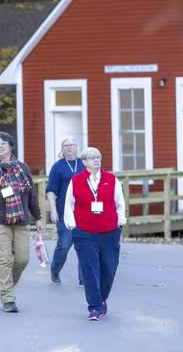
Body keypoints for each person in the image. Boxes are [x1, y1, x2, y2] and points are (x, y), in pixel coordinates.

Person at [0, 131, 43, 313]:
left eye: (2, 143)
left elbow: (31, 195)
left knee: (22, 259)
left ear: (11, 146)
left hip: (20, 219)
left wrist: (38, 217)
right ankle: (8, 298)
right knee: (4, 258)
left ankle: (7, 283)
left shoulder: (22, 168)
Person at [63, 146, 126, 321]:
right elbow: (69, 204)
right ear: (84, 162)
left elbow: (119, 202)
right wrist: (72, 225)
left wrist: (120, 222)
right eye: (92, 158)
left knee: (109, 269)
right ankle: (94, 307)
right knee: (90, 270)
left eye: (98, 157)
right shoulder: (76, 181)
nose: (96, 160)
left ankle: (102, 298)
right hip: (84, 233)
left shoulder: (111, 179)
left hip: (109, 232)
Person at [46, 137, 83, 285]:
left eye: (72, 145)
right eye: (66, 145)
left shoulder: (83, 164)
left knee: (84, 246)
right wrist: (53, 211)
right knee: (64, 245)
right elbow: (51, 191)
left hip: (83, 212)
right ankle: (55, 270)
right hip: (65, 212)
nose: (69, 148)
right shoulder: (58, 167)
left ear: (76, 147)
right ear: (62, 149)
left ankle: (84, 278)